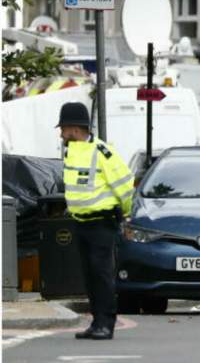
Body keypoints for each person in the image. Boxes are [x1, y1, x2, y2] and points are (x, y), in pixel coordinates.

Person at [59, 102, 134, 340]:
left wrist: (125, 212)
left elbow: (124, 184)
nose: (61, 133)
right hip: (81, 223)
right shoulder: (70, 151)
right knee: (90, 276)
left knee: (101, 275)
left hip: (102, 223)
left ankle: (106, 324)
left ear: (75, 128)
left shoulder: (102, 151)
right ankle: (96, 321)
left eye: (63, 128)